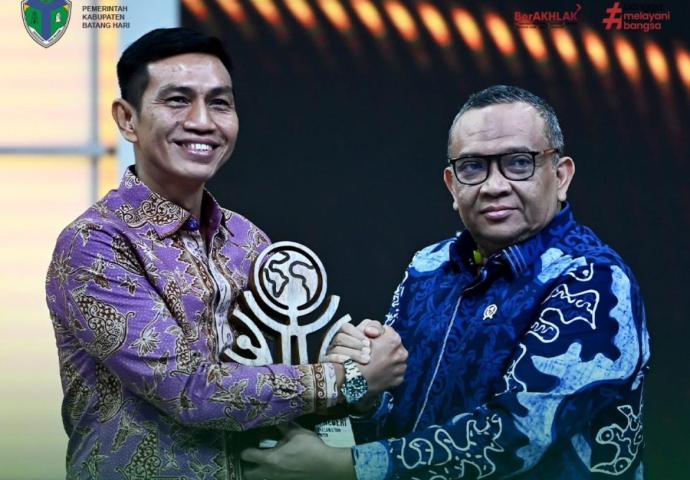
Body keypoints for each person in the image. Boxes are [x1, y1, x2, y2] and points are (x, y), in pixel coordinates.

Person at [45, 27, 407, 479]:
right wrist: (345, 379)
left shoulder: (248, 241)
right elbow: (190, 392)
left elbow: (280, 388)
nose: (202, 121)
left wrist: (357, 364)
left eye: (219, 103)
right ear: (127, 119)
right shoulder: (96, 243)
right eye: (178, 100)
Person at [241, 85, 651, 479]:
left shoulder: (592, 279)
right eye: (473, 167)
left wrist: (347, 467)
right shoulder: (429, 266)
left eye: (518, 162)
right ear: (453, 186)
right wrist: (363, 389)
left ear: (560, 176)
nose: (494, 186)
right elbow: (394, 418)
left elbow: (517, 436)